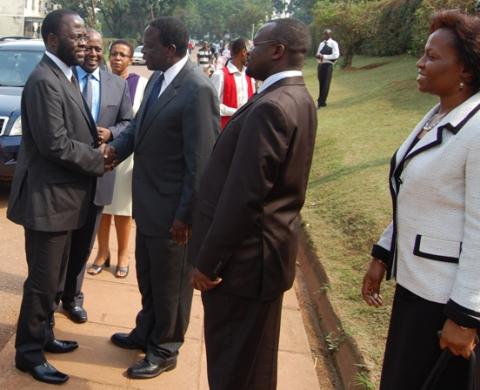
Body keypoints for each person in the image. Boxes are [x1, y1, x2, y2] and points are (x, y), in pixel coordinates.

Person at [189, 18, 317, 390]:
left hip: (243, 265)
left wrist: (209, 263)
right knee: (253, 365)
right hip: (264, 259)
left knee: (233, 365)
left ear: (277, 51)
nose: (248, 52)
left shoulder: (272, 107)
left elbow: (245, 196)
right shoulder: (298, 97)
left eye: (256, 46)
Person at [362, 10, 480, 390]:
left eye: (432, 56)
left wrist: (465, 316)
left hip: (444, 300)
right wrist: (383, 253)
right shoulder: (438, 114)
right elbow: (414, 192)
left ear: (464, 70)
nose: (420, 61)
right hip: (417, 286)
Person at [107, 17, 219, 379]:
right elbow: (138, 130)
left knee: (172, 286)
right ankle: (147, 330)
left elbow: (201, 164)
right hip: (150, 205)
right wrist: (110, 154)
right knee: (151, 277)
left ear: (171, 49)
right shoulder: (158, 78)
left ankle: (165, 347)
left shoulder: (196, 89)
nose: (144, 52)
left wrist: (186, 215)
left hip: (175, 214)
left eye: (150, 46)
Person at [6, 9, 109, 384]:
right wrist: (99, 159)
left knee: (57, 279)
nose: (84, 44)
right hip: (48, 202)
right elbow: (55, 145)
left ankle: (45, 335)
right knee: (42, 283)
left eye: (85, 37)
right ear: (52, 40)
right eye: (76, 37)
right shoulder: (44, 80)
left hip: (67, 201)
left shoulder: (65, 75)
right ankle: (28, 354)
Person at [60, 29, 133, 323]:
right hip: (66, 175)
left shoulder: (118, 85)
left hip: (100, 175)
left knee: (83, 243)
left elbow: (129, 122)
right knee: (60, 244)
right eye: (86, 47)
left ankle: (72, 298)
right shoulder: (65, 81)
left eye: (97, 48)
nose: (92, 53)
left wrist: (112, 133)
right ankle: (51, 295)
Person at [89, 39, 148, 279]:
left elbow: (139, 121)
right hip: (100, 153)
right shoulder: (100, 80)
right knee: (102, 207)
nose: (117, 58)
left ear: (131, 59)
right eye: (113, 53)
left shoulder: (141, 85)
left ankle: (123, 254)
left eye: (123, 54)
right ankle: (102, 253)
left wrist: (114, 133)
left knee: (123, 210)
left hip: (127, 156)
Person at [210, 37, 256, 130]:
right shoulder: (220, 75)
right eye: (250, 53)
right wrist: (238, 112)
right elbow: (212, 105)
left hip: (245, 129)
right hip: (225, 130)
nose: (251, 57)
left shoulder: (249, 76)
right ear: (243, 52)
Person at [315, 29, 339, 108]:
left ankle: (321, 101)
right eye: (323, 34)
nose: (324, 36)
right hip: (321, 65)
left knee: (325, 84)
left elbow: (336, 55)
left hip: (328, 65)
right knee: (321, 83)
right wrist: (318, 57)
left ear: (330, 35)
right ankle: (321, 101)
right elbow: (318, 53)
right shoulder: (321, 44)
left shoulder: (333, 43)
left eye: (326, 34)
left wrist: (324, 56)